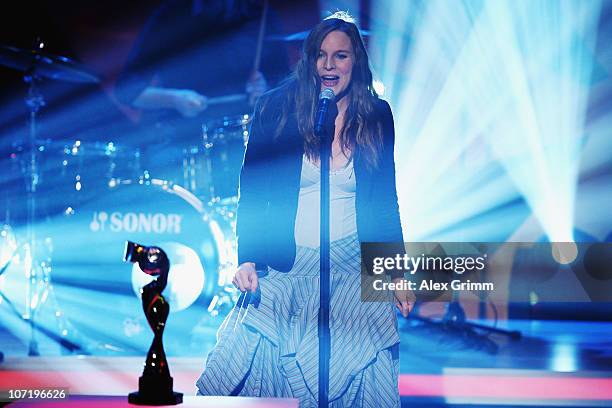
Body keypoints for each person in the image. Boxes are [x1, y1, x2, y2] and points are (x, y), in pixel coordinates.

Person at [196, 11, 415, 407]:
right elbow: (255, 191)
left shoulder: (376, 115)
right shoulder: (276, 109)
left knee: (363, 370)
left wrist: (393, 271)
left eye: (341, 56)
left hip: (350, 265)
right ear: (309, 61)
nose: (330, 65)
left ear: (356, 63)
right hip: (287, 262)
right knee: (267, 363)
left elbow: (384, 200)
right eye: (321, 55)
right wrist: (247, 257)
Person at [115, 0, 289, 192]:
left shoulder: (260, 13)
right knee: (160, 168)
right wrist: (175, 99)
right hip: (183, 140)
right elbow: (126, 90)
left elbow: (286, 86)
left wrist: (265, 91)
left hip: (246, 139)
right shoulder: (172, 13)